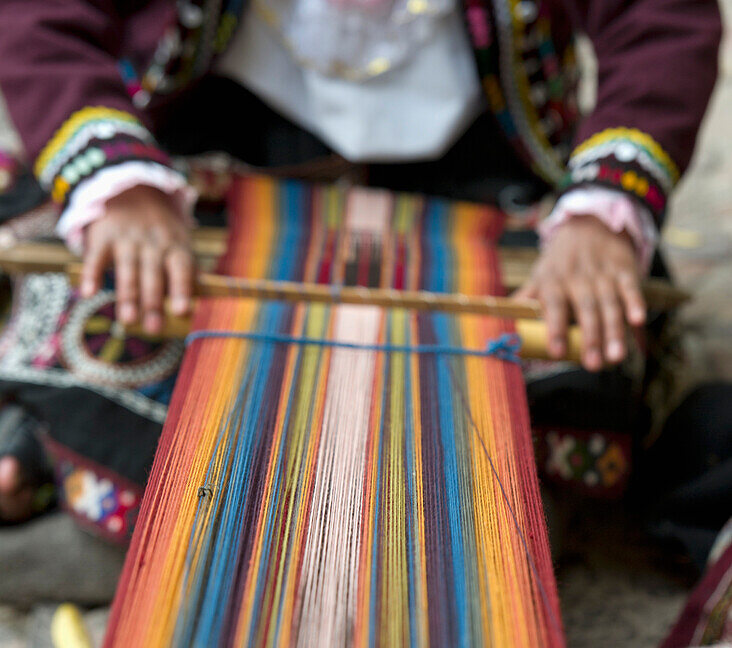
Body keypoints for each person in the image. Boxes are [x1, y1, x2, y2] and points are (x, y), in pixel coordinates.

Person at [0, 0, 722, 528]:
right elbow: (41, 18)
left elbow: (659, 22)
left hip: (476, 172)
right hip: (220, 158)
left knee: (588, 335)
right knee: (75, 294)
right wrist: (122, 189)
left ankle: (136, 499)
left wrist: (600, 214)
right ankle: (64, 454)